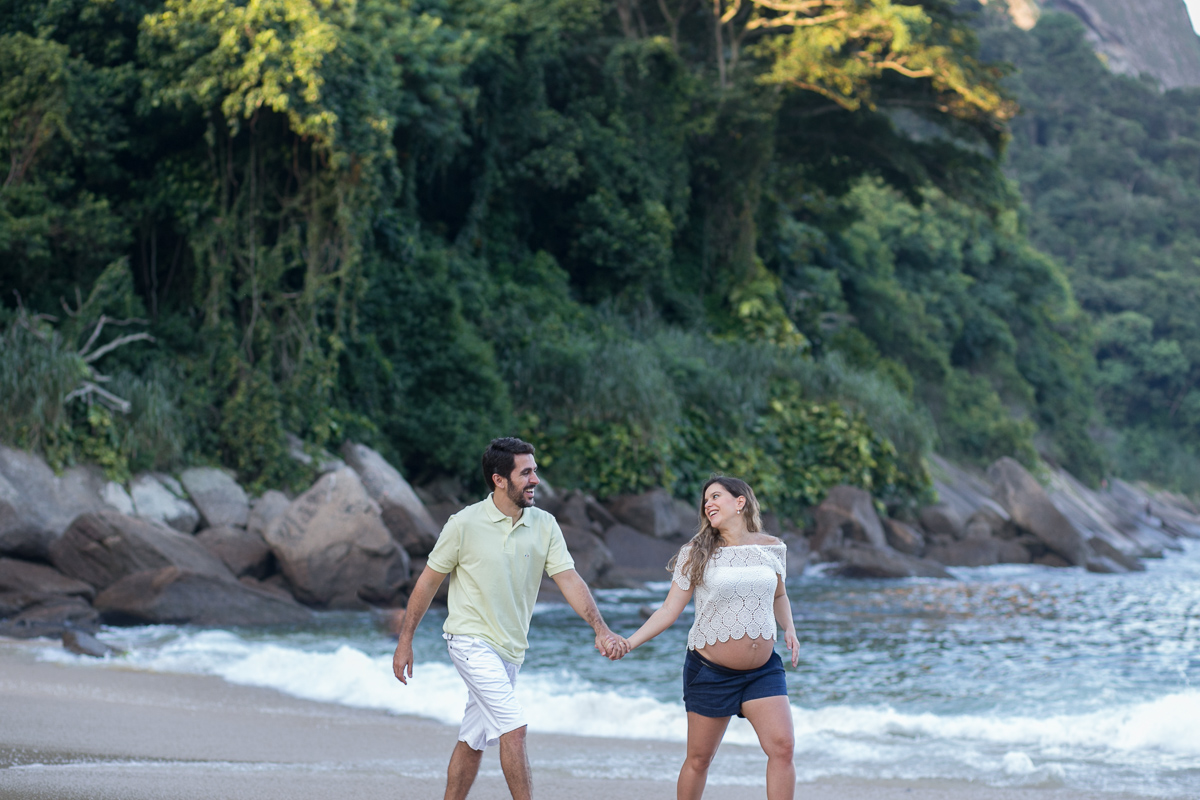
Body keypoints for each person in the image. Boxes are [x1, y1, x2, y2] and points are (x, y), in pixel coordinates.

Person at [392, 436, 628, 800]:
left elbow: (569, 579)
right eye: (527, 473)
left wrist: (601, 628)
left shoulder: (545, 525)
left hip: (510, 651)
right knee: (513, 728)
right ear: (499, 479)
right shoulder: (464, 523)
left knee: (472, 739)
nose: (535, 480)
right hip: (469, 641)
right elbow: (427, 584)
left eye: (535, 471)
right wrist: (405, 641)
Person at [615, 476, 798, 800]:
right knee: (700, 759)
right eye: (705, 500)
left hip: (763, 670)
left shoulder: (772, 548)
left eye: (716, 496)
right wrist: (630, 642)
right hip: (710, 672)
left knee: (782, 749)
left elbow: (779, 596)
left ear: (739, 502)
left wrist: (789, 629)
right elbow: (669, 610)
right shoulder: (696, 553)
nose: (708, 504)